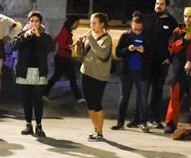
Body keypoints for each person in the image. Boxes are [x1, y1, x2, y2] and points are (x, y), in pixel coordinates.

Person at [11, 12, 54, 137]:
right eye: (32, 21)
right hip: (25, 71)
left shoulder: (45, 36)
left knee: (37, 99)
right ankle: (28, 124)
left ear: (40, 23)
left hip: (39, 71)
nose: (34, 23)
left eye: (36, 21)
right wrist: (24, 36)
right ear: (28, 22)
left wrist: (38, 36)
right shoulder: (22, 34)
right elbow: (13, 46)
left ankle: (39, 125)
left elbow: (50, 47)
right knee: (27, 99)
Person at [77, 12, 114, 141]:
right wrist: (79, 45)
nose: (91, 26)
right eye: (91, 23)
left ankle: (100, 132)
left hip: (99, 75)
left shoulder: (106, 39)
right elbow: (82, 54)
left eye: (94, 23)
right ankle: (96, 129)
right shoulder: (90, 36)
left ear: (102, 24)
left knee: (96, 103)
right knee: (89, 104)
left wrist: (90, 39)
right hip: (86, 72)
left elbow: (102, 54)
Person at [114, 13, 151, 129]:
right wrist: (127, 49)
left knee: (143, 98)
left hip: (141, 72)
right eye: (135, 29)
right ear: (131, 25)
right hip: (126, 72)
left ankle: (143, 122)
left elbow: (153, 55)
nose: (137, 32)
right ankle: (120, 122)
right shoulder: (125, 36)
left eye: (140, 30)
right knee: (124, 97)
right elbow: (118, 52)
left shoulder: (147, 37)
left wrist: (144, 51)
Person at [44, 15, 83, 102]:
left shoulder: (66, 31)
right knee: (71, 77)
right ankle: (78, 97)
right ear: (71, 23)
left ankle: (44, 93)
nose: (77, 25)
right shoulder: (65, 31)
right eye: (76, 23)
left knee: (58, 77)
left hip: (63, 57)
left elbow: (57, 40)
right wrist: (72, 46)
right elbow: (62, 45)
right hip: (63, 58)